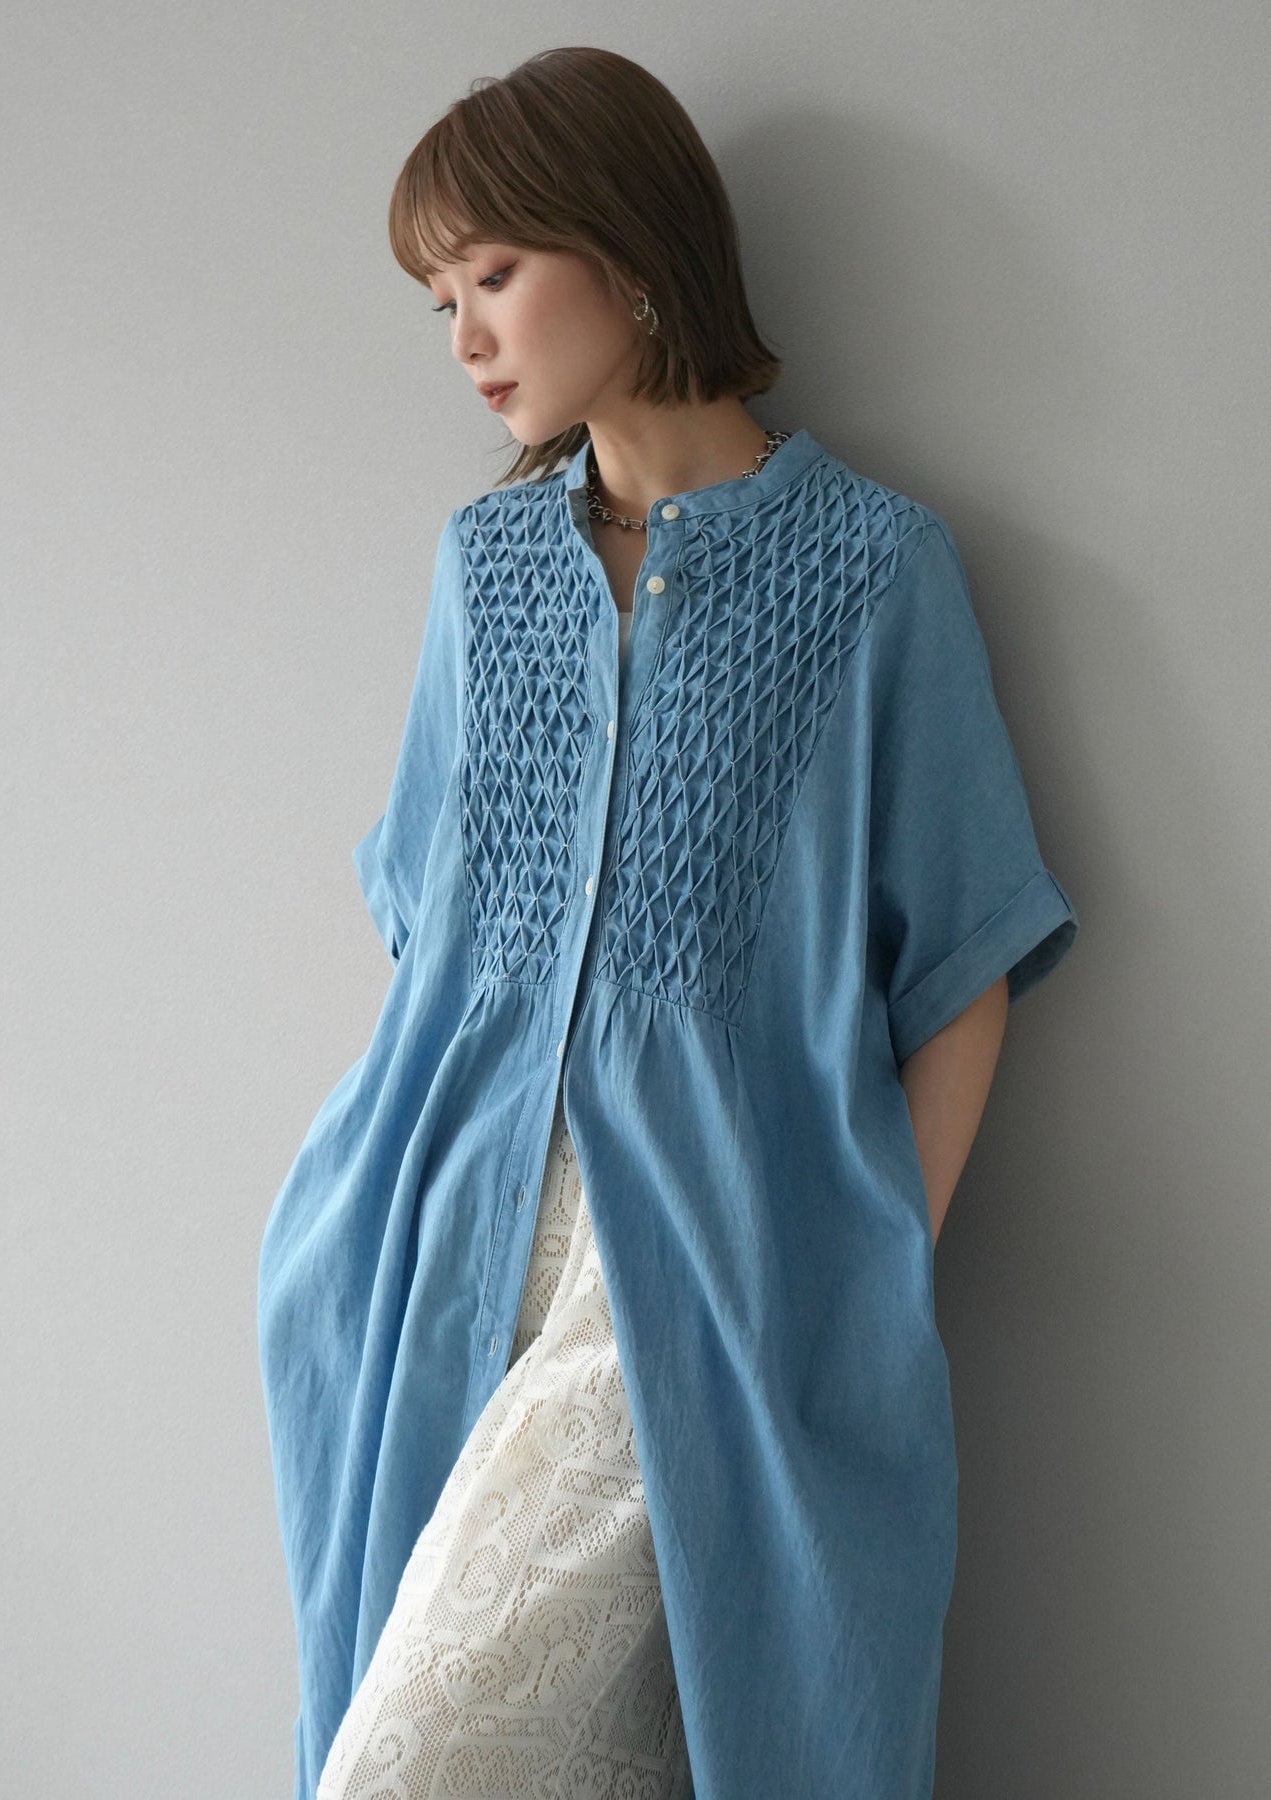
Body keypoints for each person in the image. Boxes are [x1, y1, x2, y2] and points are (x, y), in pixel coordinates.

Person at [256, 44, 1080, 1800]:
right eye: (438, 300)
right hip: (435, 1241)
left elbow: (964, 962)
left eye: (493, 274)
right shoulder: (483, 569)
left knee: (408, 1766)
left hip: (708, 1269)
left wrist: (861, 1270)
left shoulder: (872, 569)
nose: (465, 337)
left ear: (627, 252)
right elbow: (430, 928)